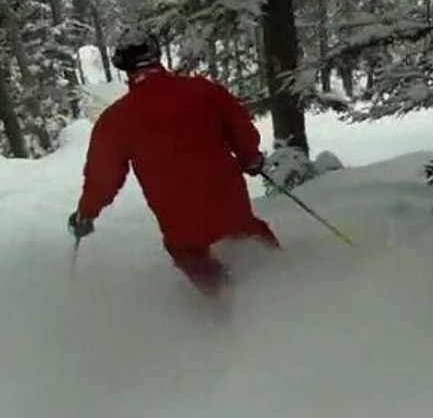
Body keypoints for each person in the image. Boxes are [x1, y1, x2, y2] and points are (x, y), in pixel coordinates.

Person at [69, 29, 280, 296]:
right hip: (225, 199)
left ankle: (226, 316)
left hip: (178, 217)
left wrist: (86, 213)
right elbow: (241, 130)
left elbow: (103, 177)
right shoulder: (204, 91)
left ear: (123, 66)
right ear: (156, 55)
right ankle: (288, 289)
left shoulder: (116, 120)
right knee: (250, 235)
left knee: (193, 257)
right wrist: (251, 158)